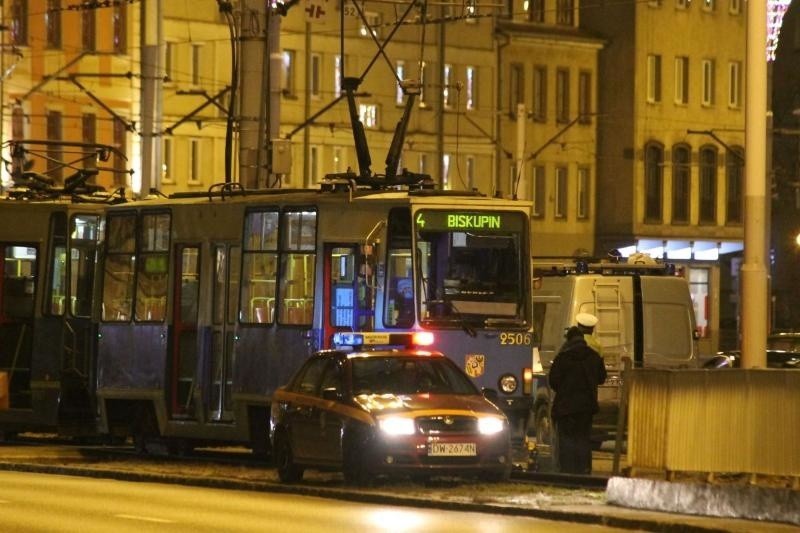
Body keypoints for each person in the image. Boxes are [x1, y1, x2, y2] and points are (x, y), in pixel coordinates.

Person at [548, 321, 607, 475]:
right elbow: (602, 378)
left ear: (568, 339)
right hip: (586, 407)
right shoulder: (594, 357)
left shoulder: (563, 357)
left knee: (567, 440)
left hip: (565, 407)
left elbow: (553, 381)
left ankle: (567, 471)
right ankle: (584, 470)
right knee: (583, 438)